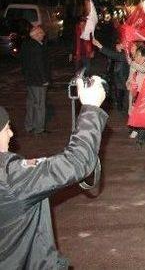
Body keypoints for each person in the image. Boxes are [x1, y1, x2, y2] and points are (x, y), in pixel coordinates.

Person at [0, 76, 107, 268]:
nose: (11, 133)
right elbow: (77, 161)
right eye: (6, 128)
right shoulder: (10, 177)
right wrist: (91, 108)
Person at [19, 25, 50, 134]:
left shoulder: (25, 44)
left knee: (31, 103)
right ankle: (39, 128)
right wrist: (44, 79)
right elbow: (40, 64)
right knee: (40, 105)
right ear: (36, 35)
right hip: (38, 81)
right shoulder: (37, 46)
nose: (43, 34)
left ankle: (29, 126)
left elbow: (22, 62)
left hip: (29, 79)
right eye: (41, 33)